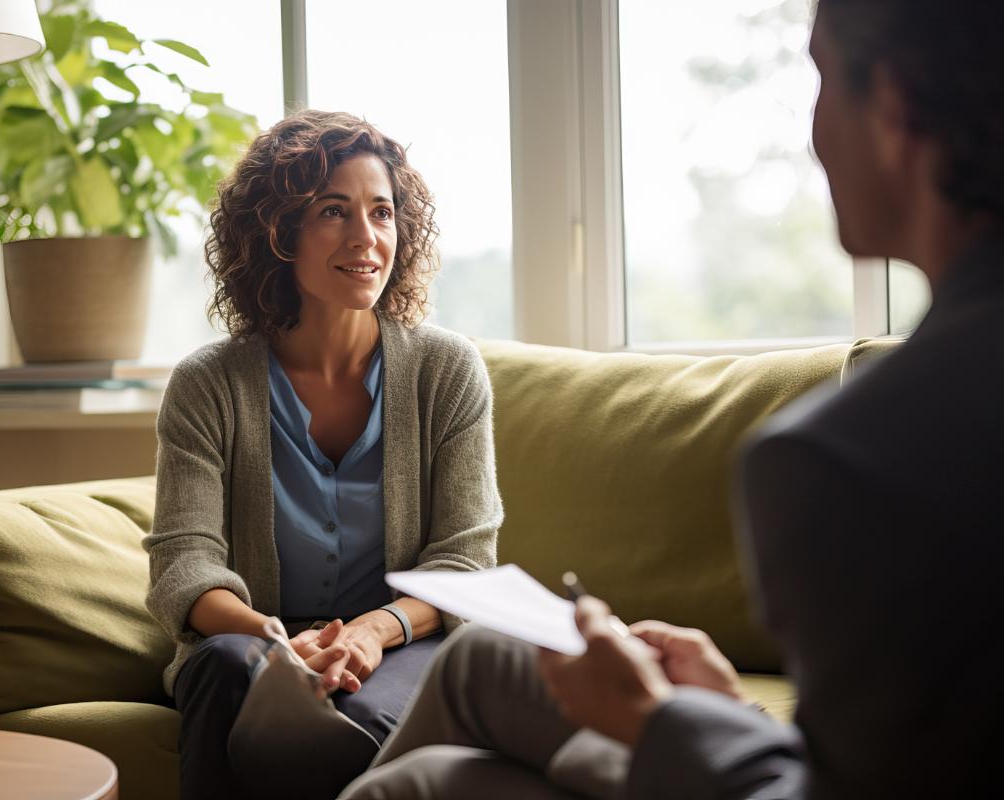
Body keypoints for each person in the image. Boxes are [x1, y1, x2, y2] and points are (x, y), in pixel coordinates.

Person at [339, 0, 1004, 797]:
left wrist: (659, 721)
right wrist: (727, 710)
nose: (813, 132)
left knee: (412, 788)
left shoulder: (846, 461)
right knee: (467, 708)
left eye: (823, 81)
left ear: (893, 106)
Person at [143, 110, 502, 800]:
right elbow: (183, 565)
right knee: (224, 671)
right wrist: (274, 639)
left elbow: (465, 561)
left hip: (402, 643)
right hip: (248, 640)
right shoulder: (207, 384)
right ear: (278, 233)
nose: (366, 238)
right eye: (334, 213)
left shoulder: (447, 370)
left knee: (360, 718)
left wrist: (372, 631)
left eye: (382, 213)